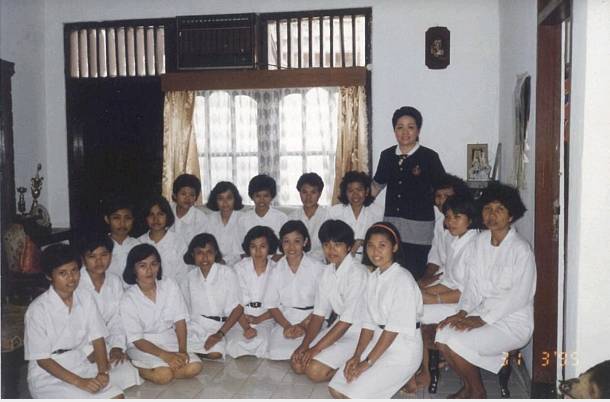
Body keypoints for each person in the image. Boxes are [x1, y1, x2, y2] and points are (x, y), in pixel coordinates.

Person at [435, 182, 536, 398]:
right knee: (442, 334)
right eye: (488, 208)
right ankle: (469, 387)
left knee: (455, 341)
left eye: (500, 209)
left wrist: (482, 319)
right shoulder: (479, 242)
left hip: (512, 321)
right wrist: (462, 312)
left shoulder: (521, 249)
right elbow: (472, 285)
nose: (492, 214)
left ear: (511, 216)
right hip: (480, 311)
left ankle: (478, 393)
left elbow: (518, 296)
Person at [328, 222, 423, 399]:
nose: (375, 251)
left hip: (402, 349)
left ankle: (404, 375)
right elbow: (368, 324)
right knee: (336, 389)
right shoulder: (373, 277)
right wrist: (357, 356)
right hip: (378, 342)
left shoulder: (403, 280)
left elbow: (392, 331)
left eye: (382, 245)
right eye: (370, 245)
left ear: (394, 247)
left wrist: (367, 362)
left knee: (352, 396)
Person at [24, 244, 125, 398]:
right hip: (48, 374)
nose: (71, 278)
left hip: (79, 362)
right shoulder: (37, 309)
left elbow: (98, 338)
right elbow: (43, 360)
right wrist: (80, 382)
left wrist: (102, 372)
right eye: (62, 273)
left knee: (118, 396)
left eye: (74, 271)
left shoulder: (85, 297)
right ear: (49, 276)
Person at [371, 106, 446, 280]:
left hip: (419, 230)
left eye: (410, 127)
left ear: (418, 130)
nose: (405, 132)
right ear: (394, 130)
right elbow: (376, 187)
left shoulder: (429, 157)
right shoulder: (387, 156)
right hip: (392, 227)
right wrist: (355, 202)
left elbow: (442, 191)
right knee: (391, 273)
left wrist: (448, 216)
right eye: (400, 127)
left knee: (414, 275)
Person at [291, 220, 368, 383]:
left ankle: (360, 368)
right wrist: (305, 345)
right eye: (326, 245)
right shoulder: (327, 272)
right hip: (339, 326)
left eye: (337, 245)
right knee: (297, 364)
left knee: (314, 371)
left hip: (360, 332)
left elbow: (347, 322)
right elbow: (318, 315)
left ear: (349, 246)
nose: (331, 250)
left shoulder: (357, 273)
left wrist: (315, 349)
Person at [416, 194, 479, 392]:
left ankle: (425, 371)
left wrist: (433, 299)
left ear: (470, 219)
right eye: (448, 217)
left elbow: (468, 292)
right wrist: (421, 292)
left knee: (417, 312)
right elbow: (449, 280)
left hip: (469, 305)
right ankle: (419, 367)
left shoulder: (474, 246)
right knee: (413, 300)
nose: (450, 222)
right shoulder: (457, 241)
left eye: (457, 217)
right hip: (454, 297)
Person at [119, 244, 202, 384]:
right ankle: (139, 367)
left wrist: (182, 351)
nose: (149, 270)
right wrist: (167, 357)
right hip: (143, 345)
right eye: (142, 266)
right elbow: (137, 339)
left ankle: (165, 368)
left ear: (159, 265)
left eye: (154, 264)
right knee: (163, 376)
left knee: (195, 367)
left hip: (168, 339)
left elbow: (180, 321)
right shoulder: (128, 299)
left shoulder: (170, 285)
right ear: (133, 269)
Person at [77, 234, 142, 391]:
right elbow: (73, 326)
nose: (99, 261)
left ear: (111, 256)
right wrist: (90, 352)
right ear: (83, 259)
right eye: (92, 256)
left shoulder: (114, 281)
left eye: (104, 255)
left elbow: (117, 319)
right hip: (80, 347)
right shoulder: (75, 283)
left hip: (106, 344)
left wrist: (116, 347)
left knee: (128, 373)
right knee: (92, 376)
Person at [264, 220, 325, 360]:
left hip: (312, 319)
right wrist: (287, 326)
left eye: (297, 241)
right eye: (286, 241)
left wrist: (303, 325)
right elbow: (272, 305)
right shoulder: (275, 269)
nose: (291, 247)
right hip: (286, 319)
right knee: (275, 353)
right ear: (281, 243)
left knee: (308, 353)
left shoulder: (318, 268)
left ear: (305, 242)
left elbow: (323, 305)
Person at [183, 233, 243, 360]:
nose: (204, 257)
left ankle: (193, 353)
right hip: (195, 326)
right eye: (199, 253)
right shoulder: (189, 278)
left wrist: (219, 334)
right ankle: (192, 352)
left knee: (215, 353)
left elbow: (238, 308)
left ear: (215, 253)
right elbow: (184, 310)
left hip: (219, 327)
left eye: (209, 252)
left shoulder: (227, 273)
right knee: (175, 344)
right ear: (193, 255)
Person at [225, 226, 279, 358]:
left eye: (263, 246)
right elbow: (234, 301)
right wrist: (246, 327)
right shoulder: (238, 268)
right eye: (253, 246)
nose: (258, 251)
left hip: (265, 317)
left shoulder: (277, 269)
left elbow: (279, 303)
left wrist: (259, 319)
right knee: (234, 345)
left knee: (263, 342)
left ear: (270, 247)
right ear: (248, 248)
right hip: (240, 317)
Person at [421, 174, 471, 288]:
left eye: (447, 196)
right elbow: (435, 255)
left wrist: (432, 282)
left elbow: (456, 269)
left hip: (456, 281)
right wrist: (426, 278)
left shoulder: (461, 226)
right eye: (438, 196)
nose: (442, 200)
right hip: (442, 275)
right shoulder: (440, 222)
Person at [138, 195, 192, 295]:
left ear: (167, 216)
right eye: (151, 215)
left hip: (174, 295)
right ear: (146, 218)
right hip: (146, 295)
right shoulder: (139, 242)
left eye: (160, 214)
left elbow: (183, 276)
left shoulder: (178, 242)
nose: (156, 219)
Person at [328, 171, 383, 256]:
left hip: (369, 258)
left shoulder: (378, 212)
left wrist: (362, 242)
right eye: (350, 191)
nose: (355, 194)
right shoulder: (334, 212)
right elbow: (329, 240)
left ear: (366, 191)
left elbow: (381, 240)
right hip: (341, 258)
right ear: (345, 193)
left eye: (359, 190)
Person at [289, 173, 329, 262]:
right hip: (296, 262)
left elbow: (329, 247)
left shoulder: (328, 216)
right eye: (304, 192)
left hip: (320, 263)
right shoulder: (292, 217)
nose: (308, 197)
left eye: (313, 192)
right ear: (299, 193)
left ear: (320, 194)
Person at [205, 181, 245, 266]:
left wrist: (224, 261)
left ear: (235, 199)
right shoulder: (208, 219)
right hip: (213, 264)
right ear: (215, 200)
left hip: (239, 265)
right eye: (220, 198)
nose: (225, 202)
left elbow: (244, 252)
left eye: (229, 198)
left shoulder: (243, 219)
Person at [239, 174, 288, 241]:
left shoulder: (282, 218)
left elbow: (285, 243)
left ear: (272, 196)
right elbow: (240, 244)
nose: (262, 200)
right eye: (257, 196)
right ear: (252, 197)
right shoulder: (243, 219)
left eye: (266, 196)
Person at [102, 195, 140, 283]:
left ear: (133, 220)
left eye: (127, 218)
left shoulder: (138, 245)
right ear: (107, 219)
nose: (122, 223)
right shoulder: (100, 247)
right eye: (116, 218)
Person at [169, 173, 209, 246]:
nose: (187, 198)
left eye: (192, 195)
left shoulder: (200, 219)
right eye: (183, 194)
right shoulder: (166, 210)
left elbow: (199, 246)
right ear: (175, 195)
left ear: (196, 197)